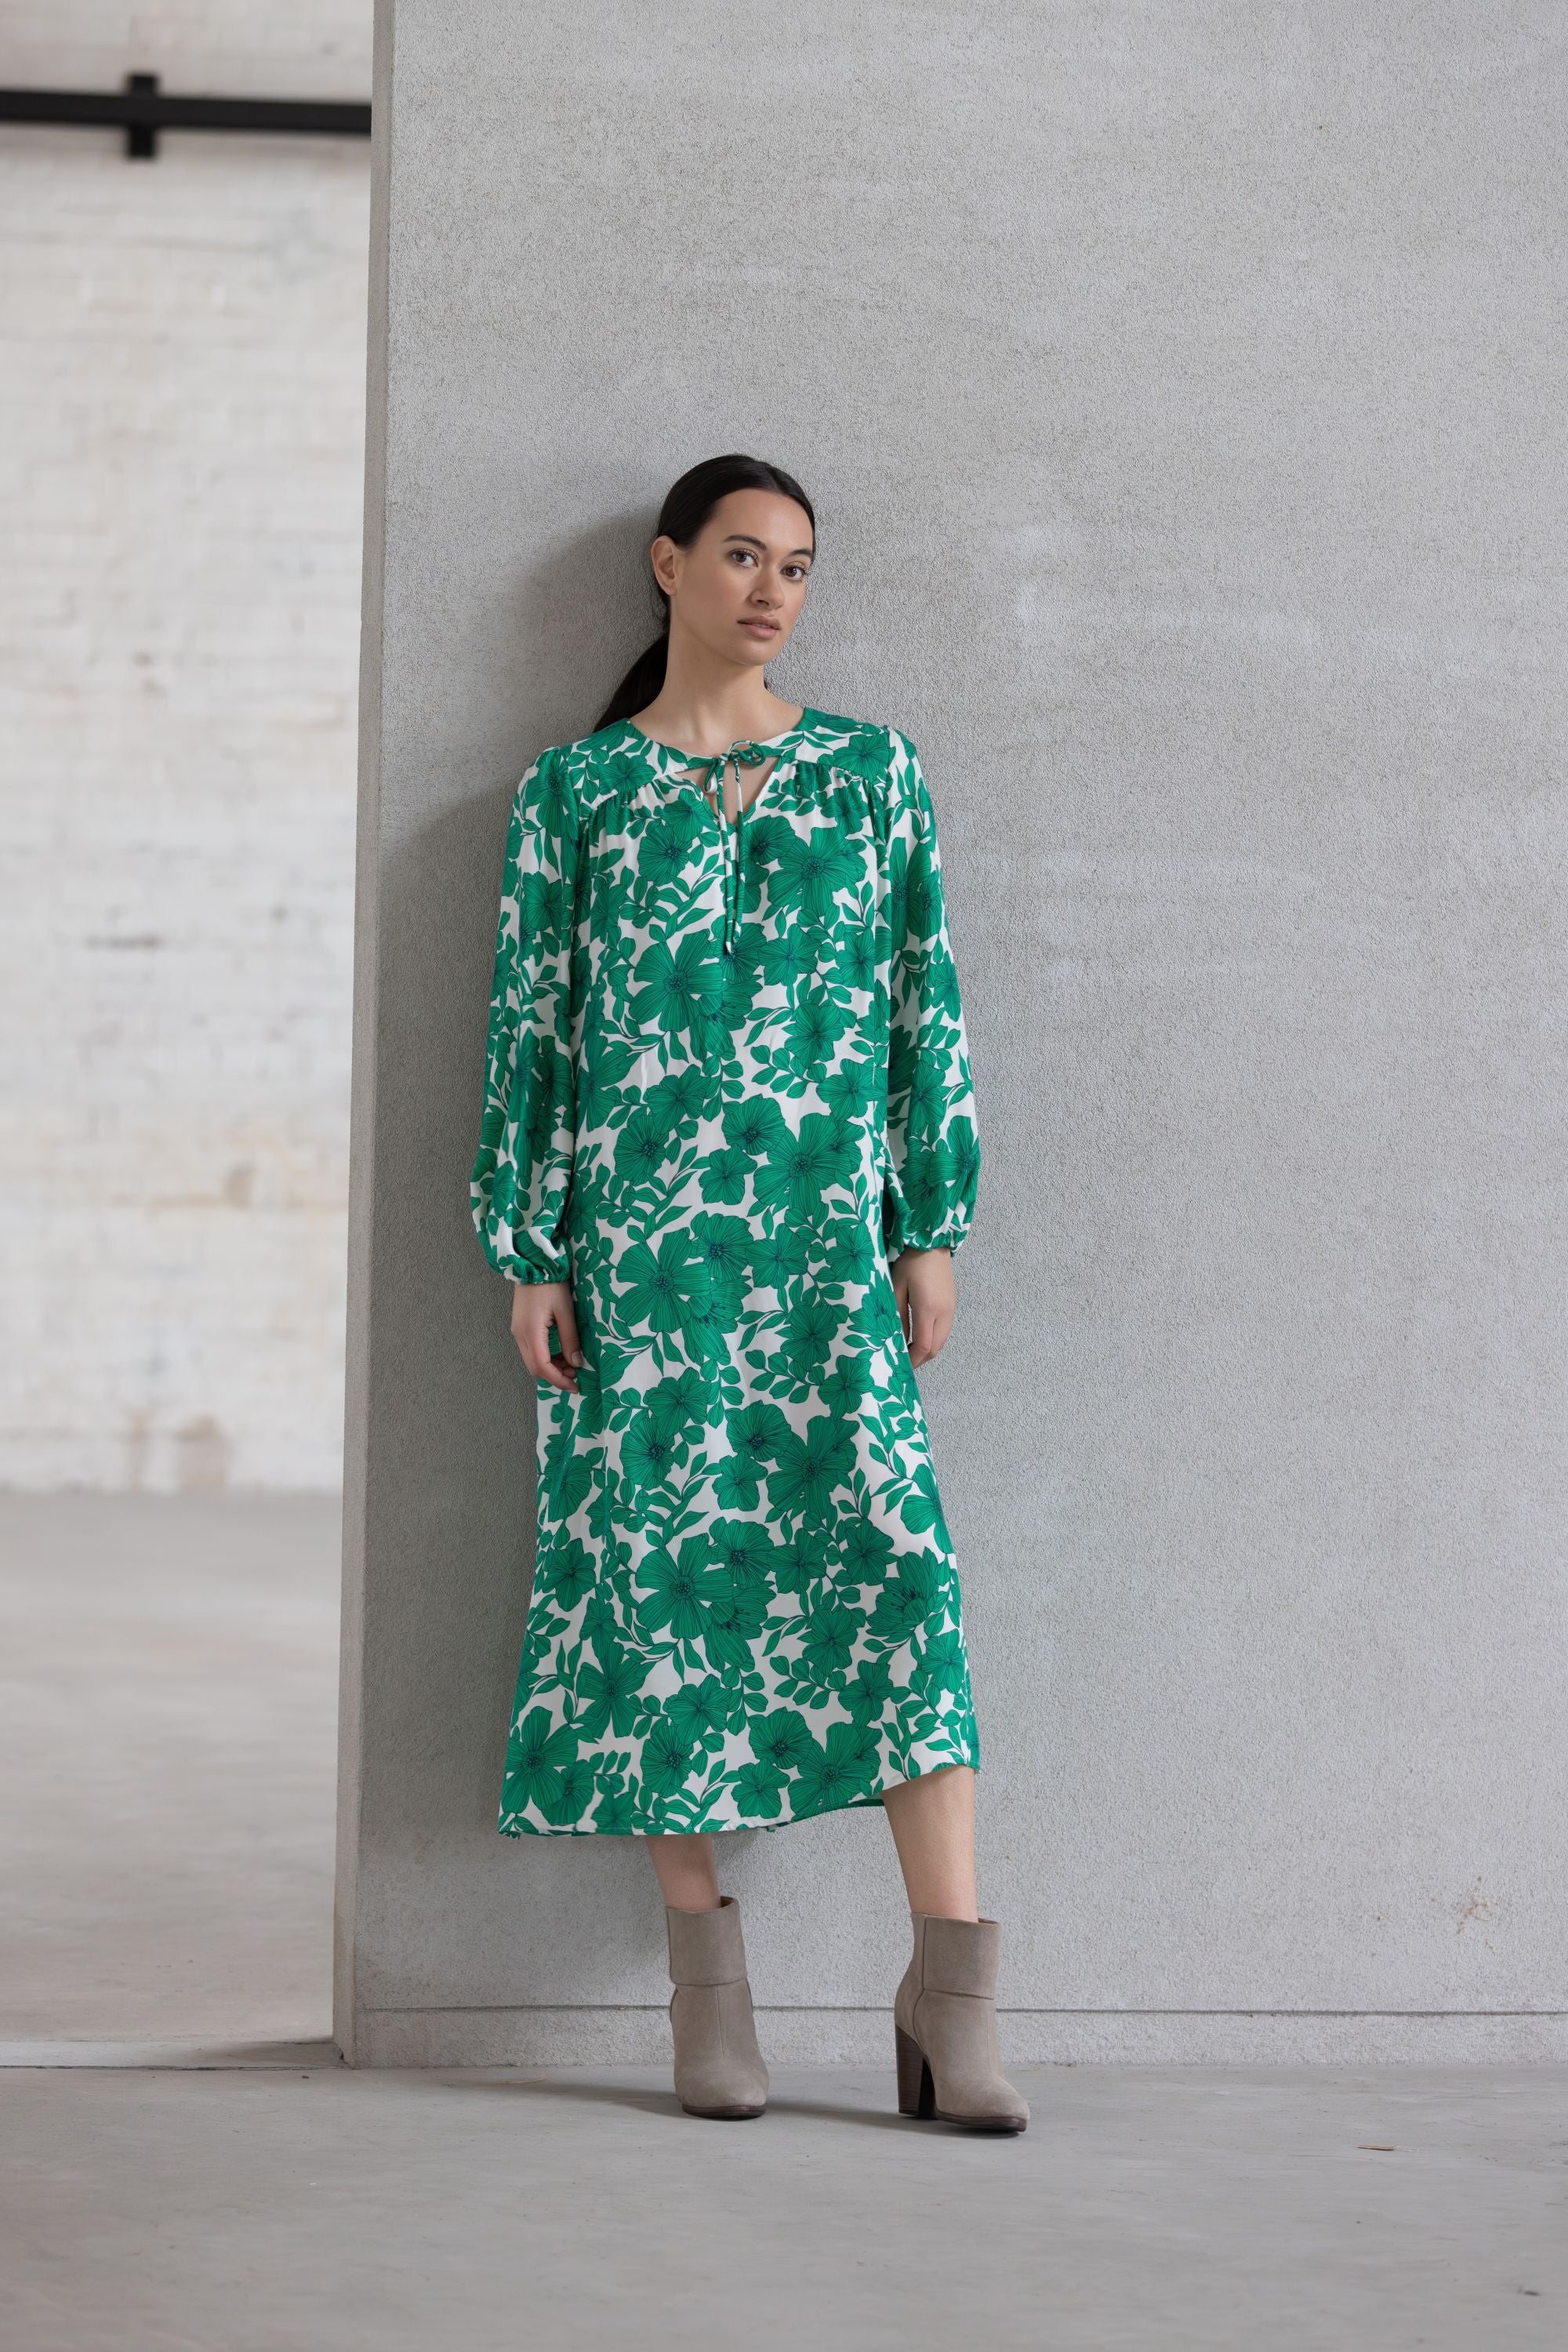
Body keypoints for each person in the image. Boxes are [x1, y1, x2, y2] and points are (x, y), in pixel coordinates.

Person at [470, 452, 1026, 2133]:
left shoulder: (873, 773)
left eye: (796, 564)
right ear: (668, 567)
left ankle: (951, 1993)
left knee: (900, 1579)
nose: (772, 589)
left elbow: (925, 1000)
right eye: (740, 555)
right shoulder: (572, 794)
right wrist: (528, 1247)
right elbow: (530, 1032)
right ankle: (706, 1989)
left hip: (823, 1260)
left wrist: (929, 1225)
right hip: (640, 1269)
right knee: (659, 1598)